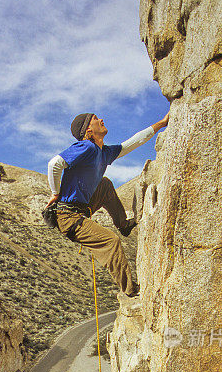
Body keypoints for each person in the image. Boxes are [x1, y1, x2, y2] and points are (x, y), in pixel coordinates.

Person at [47, 111, 169, 296]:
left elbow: (133, 143)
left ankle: (123, 224)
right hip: (69, 216)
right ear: (88, 128)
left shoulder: (103, 152)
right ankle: (130, 289)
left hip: (81, 209)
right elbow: (54, 164)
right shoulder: (86, 147)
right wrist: (55, 194)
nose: (101, 120)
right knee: (111, 241)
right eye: (96, 119)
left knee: (105, 184)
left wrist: (161, 123)